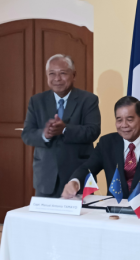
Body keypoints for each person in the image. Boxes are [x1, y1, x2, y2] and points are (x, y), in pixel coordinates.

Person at [61, 96, 140, 199]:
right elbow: (88, 168)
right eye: (119, 120)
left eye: (130, 119)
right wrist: (75, 181)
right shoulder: (106, 143)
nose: (124, 125)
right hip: (114, 209)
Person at [21, 54, 101, 197]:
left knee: (79, 219)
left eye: (63, 73)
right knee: (45, 219)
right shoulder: (37, 101)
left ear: (74, 75)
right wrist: (44, 135)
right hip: (45, 177)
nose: (57, 78)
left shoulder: (88, 100)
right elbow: (27, 134)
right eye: (52, 74)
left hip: (77, 176)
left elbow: (93, 131)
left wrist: (64, 129)